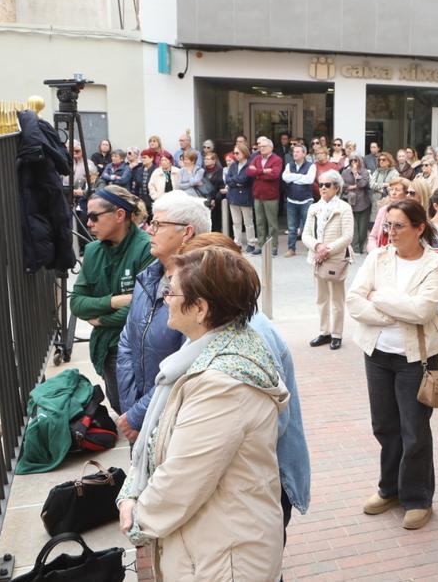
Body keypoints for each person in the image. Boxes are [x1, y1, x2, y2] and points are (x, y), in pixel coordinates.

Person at [116, 247, 290, 580]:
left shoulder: (221, 383)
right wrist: (132, 490)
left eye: (172, 291)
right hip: (211, 542)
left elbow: (183, 477)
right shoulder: (209, 351)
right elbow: (160, 444)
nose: (165, 297)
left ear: (200, 308)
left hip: (223, 556)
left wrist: (138, 518)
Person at [178, 233, 311, 550]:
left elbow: (270, 420)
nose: (169, 293)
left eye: (178, 285)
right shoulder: (219, 329)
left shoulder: (253, 335)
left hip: (261, 482)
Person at [347, 198, 438, 530]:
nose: (390, 232)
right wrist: (394, 310)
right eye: (387, 225)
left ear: (419, 228)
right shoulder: (379, 257)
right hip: (377, 353)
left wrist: (379, 297)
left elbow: (423, 311)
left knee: (414, 430)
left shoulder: (435, 265)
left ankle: (418, 498)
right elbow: (353, 300)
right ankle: (389, 489)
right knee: (385, 426)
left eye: (398, 226)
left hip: (416, 359)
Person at [115, 191, 211, 444]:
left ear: (187, 232)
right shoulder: (147, 277)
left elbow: (187, 364)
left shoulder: (199, 291)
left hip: (176, 423)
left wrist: (138, 415)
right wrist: (131, 408)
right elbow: (127, 341)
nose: (148, 230)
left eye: (158, 224)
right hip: (141, 417)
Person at [70, 185, 154, 414]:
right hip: (105, 348)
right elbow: (76, 303)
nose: (89, 224)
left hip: (136, 346)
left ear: (119, 215)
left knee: (135, 412)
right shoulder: (92, 251)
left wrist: (101, 319)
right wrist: (113, 302)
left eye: (94, 217)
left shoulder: (147, 248)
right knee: (119, 405)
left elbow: (143, 308)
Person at [303, 170, 354, 351]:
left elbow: (348, 236)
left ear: (337, 187)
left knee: (337, 299)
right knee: (321, 298)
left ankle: (337, 334)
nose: (322, 188)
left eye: (327, 185)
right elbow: (306, 234)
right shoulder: (313, 207)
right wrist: (317, 246)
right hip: (317, 258)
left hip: (336, 259)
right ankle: (324, 332)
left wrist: (327, 249)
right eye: (320, 184)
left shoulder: (344, 207)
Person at [246, 136, 284, 256]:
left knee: (272, 223)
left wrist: (257, 172)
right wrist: (263, 171)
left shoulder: (277, 159)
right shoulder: (256, 158)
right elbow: (249, 172)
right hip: (258, 195)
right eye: (260, 146)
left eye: (263, 146)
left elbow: (275, 175)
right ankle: (261, 245)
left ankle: (273, 246)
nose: (260, 148)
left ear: (270, 148)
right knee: (260, 222)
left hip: (271, 195)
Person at [282, 143, 316, 258]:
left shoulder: (311, 166)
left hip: (306, 201)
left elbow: (310, 180)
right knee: (292, 227)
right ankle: (291, 249)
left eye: (297, 152)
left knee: (307, 226)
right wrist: (301, 177)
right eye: (294, 152)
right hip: (291, 201)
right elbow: (285, 178)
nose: (294, 154)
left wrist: (293, 177)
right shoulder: (289, 165)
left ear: (304, 154)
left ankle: (310, 249)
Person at [223, 142, 255, 252]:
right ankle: (237, 243)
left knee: (248, 222)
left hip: (245, 196)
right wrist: (236, 182)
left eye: (237, 153)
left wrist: (235, 181)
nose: (235, 155)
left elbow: (244, 179)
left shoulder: (250, 164)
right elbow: (228, 180)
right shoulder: (233, 165)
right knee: (236, 222)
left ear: (244, 153)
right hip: (233, 196)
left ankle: (251, 243)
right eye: (234, 153)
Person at [367, 177, 411, 252]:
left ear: (406, 193)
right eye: (391, 189)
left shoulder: (410, 212)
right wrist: (374, 252)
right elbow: (373, 236)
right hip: (381, 255)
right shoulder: (383, 210)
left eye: (397, 190)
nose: (393, 193)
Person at [342, 154, 372, 254]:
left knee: (362, 229)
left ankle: (360, 246)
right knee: (353, 228)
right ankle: (355, 249)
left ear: (360, 161)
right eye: (352, 161)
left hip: (363, 203)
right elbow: (341, 185)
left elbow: (362, 184)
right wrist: (350, 187)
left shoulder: (364, 172)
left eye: (356, 160)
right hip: (350, 202)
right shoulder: (345, 172)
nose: (354, 163)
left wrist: (356, 175)